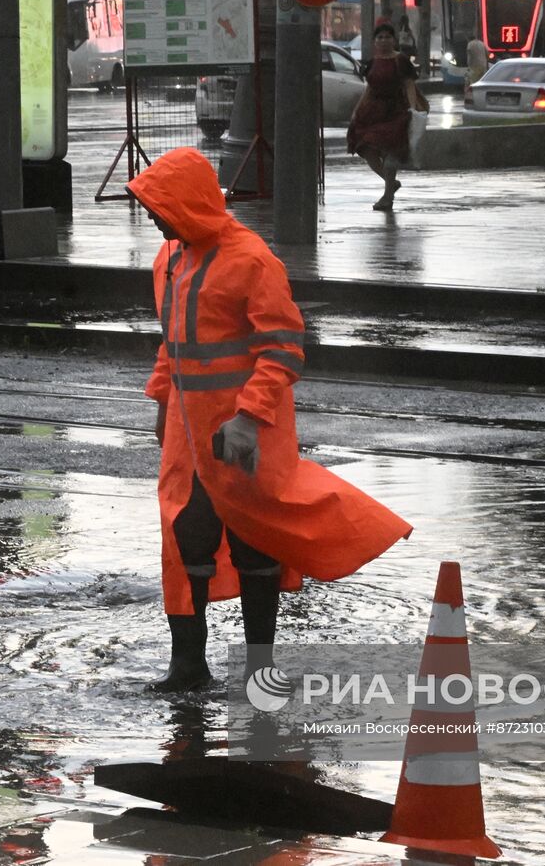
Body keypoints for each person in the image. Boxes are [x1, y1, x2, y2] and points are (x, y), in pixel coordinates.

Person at [127, 147, 412, 693]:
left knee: (253, 540)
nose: (154, 218)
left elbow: (282, 348)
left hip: (244, 433)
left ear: (187, 205)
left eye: (160, 207)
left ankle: (260, 666)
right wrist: (162, 402)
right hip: (189, 435)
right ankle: (188, 664)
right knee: (185, 536)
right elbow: (174, 343)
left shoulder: (251, 260)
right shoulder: (170, 259)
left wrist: (248, 419)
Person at [347, 23, 426, 212]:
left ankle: (387, 197)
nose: (384, 41)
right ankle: (390, 183)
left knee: (392, 155)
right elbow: (369, 88)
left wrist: (412, 108)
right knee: (365, 148)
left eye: (387, 37)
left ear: (394, 40)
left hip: (396, 112)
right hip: (372, 112)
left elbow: (409, 85)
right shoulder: (372, 62)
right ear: (375, 41)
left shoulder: (401, 60)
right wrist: (356, 111)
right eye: (380, 38)